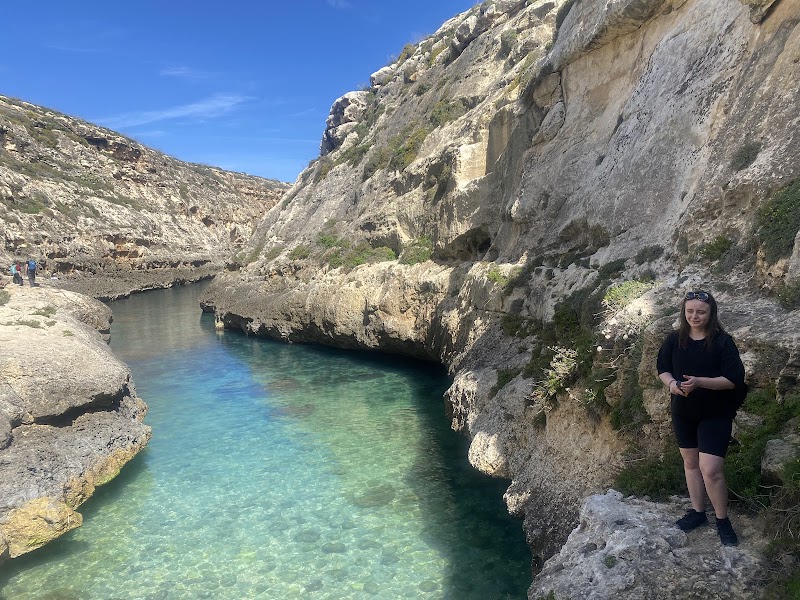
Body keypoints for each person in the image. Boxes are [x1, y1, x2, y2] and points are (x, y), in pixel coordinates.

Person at [656, 290, 746, 546]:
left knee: (712, 470)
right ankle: (698, 513)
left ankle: (722, 520)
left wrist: (699, 382)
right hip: (683, 411)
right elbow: (662, 368)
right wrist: (672, 383)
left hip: (715, 413)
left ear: (710, 314)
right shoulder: (675, 339)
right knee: (691, 463)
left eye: (701, 312)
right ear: (684, 313)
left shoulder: (722, 342)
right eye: (690, 311)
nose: (695, 316)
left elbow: (732, 380)